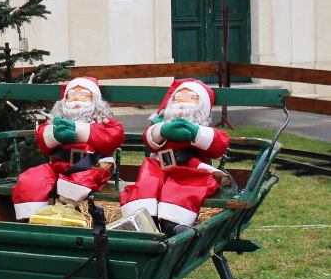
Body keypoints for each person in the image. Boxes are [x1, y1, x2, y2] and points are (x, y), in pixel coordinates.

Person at [119, 78, 231, 237]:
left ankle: (173, 223)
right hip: (159, 165)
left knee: (182, 189)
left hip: (190, 168)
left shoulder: (204, 129)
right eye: (177, 97)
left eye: (190, 97)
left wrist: (195, 132)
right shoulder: (160, 123)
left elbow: (220, 144)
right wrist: (161, 131)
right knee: (147, 185)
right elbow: (149, 140)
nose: (181, 100)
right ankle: (142, 219)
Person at [12, 77, 125, 220]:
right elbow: (43, 141)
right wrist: (55, 135)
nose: (76, 99)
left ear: (95, 100)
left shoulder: (104, 122)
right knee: (32, 179)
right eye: (71, 95)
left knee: (77, 182)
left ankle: (69, 215)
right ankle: (32, 218)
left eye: (84, 95)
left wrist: (78, 129)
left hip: (92, 166)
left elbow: (112, 138)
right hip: (60, 165)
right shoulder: (56, 122)